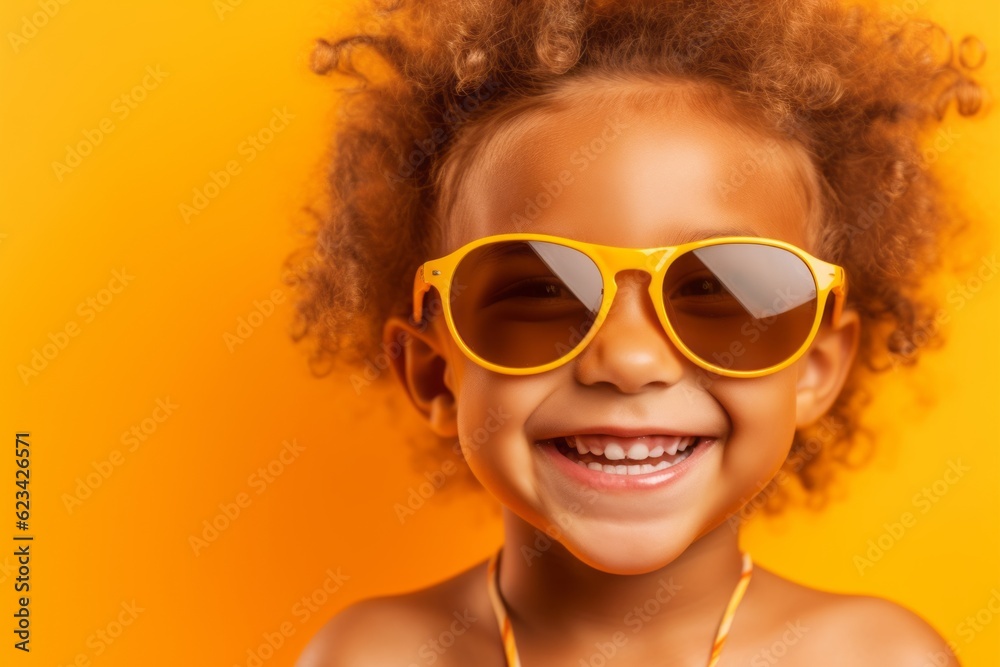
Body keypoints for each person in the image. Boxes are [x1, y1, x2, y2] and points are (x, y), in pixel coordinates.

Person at [285, 0, 988, 664]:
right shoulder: (370, 654)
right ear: (436, 373)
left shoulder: (877, 657)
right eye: (542, 290)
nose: (627, 358)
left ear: (815, 366)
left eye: (717, 288)